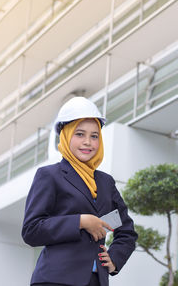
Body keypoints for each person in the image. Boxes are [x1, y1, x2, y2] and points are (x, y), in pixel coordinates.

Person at [21, 97, 138, 286]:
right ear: (65, 136)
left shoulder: (105, 182)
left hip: (96, 280)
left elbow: (126, 230)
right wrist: (81, 221)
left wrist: (115, 259)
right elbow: (31, 230)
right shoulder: (50, 175)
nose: (88, 142)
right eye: (80, 134)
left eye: (94, 136)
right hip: (56, 280)